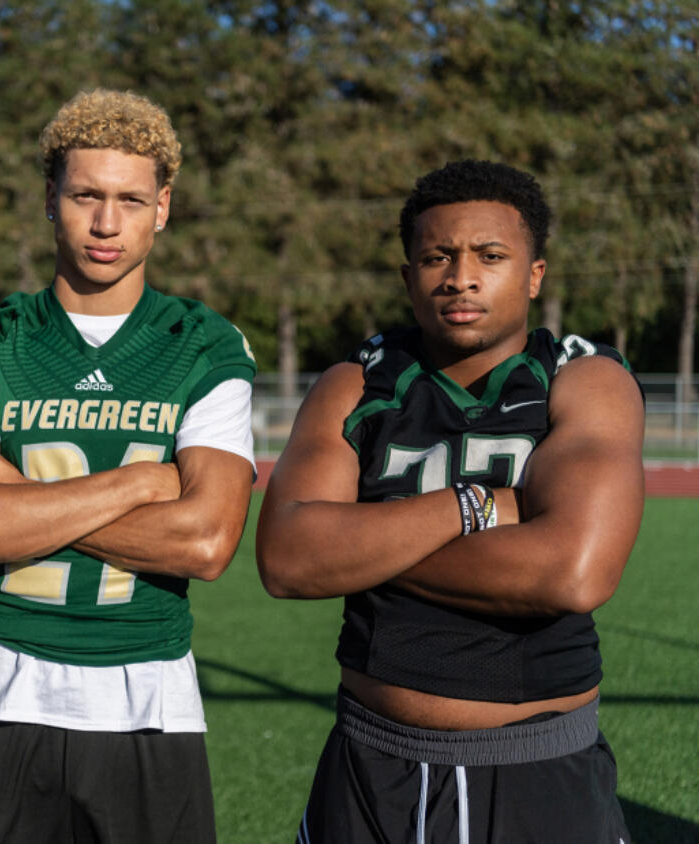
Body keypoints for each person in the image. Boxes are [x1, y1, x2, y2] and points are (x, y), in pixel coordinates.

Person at [255, 159, 644, 843]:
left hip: (534, 772)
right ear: (409, 278)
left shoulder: (583, 379)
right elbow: (288, 560)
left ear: (534, 274)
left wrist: (359, 544)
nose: (460, 276)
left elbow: (573, 572)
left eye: (490, 256)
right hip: (368, 768)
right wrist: (471, 507)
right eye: (437, 256)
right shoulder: (356, 383)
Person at [0, 89, 257, 844]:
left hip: (151, 697)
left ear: (162, 208)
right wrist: (141, 483)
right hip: (3, 691)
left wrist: (19, 495)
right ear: (51, 198)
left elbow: (206, 542)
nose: (107, 223)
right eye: (86, 196)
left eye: (131, 200)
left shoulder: (203, 343)